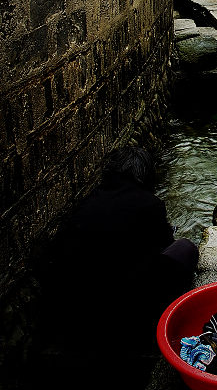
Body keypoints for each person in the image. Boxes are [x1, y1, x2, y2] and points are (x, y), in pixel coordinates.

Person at [45, 146, 198, 353]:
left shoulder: (88, 202)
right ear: (146, 174)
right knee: (185, 248)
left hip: (78, 299)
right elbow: (163, 246)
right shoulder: (150, 204)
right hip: (123, 300)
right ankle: (168, 316)